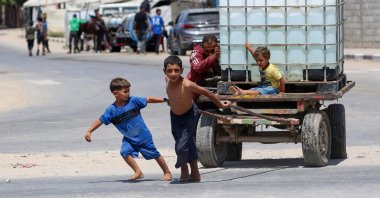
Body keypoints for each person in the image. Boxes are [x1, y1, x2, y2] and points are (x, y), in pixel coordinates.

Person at [84, 77, 172, 181]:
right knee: (124, 152)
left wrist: (165, 100)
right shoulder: (111, 110)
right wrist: (90, 130)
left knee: (154, 154)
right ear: (115, 93)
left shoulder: (133, 101)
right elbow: (101, 120)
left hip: (143, 136)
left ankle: (167, 172)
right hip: (129, 138)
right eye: (125, 92)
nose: (128, 94)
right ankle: (138, 172)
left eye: (128, 91)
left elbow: (148, 99)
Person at [163, 55, 230, 182]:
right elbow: (173, 95)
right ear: (164, 72)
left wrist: (220, 105)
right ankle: (194, 172)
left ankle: (182, 167)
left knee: (181, 146)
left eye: (176, 70)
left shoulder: (187, 84)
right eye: (169, 70)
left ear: (182, 71)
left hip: (189, 115)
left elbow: (207, 93)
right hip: (175, 116)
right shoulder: (166, 80)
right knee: (186, 142)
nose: (173, 74)